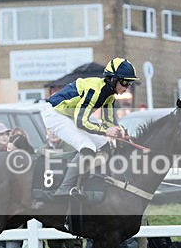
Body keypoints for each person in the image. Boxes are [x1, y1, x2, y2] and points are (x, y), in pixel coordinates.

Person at [41, 57, 136, 198]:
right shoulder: (95, 91)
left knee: (105, 146)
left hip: (69, 115)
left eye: (129, 83)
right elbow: (82, 122)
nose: (126, 87)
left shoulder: (109, 95)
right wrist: (106, 131)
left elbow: (108, 121)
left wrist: (118, 132)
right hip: (55, 114)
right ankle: (64, 189)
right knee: (87, 147)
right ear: (112, 79)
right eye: (124, 82)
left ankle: (88, 178)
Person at [38, 128, 82, 248]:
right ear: (46, 132)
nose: (53, 133)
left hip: (68, 203)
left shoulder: (72, 151)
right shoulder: (41, 153)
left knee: (73, 243)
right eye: (50, 130)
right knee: (55, 244)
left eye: (56, 130)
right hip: (49, 204)